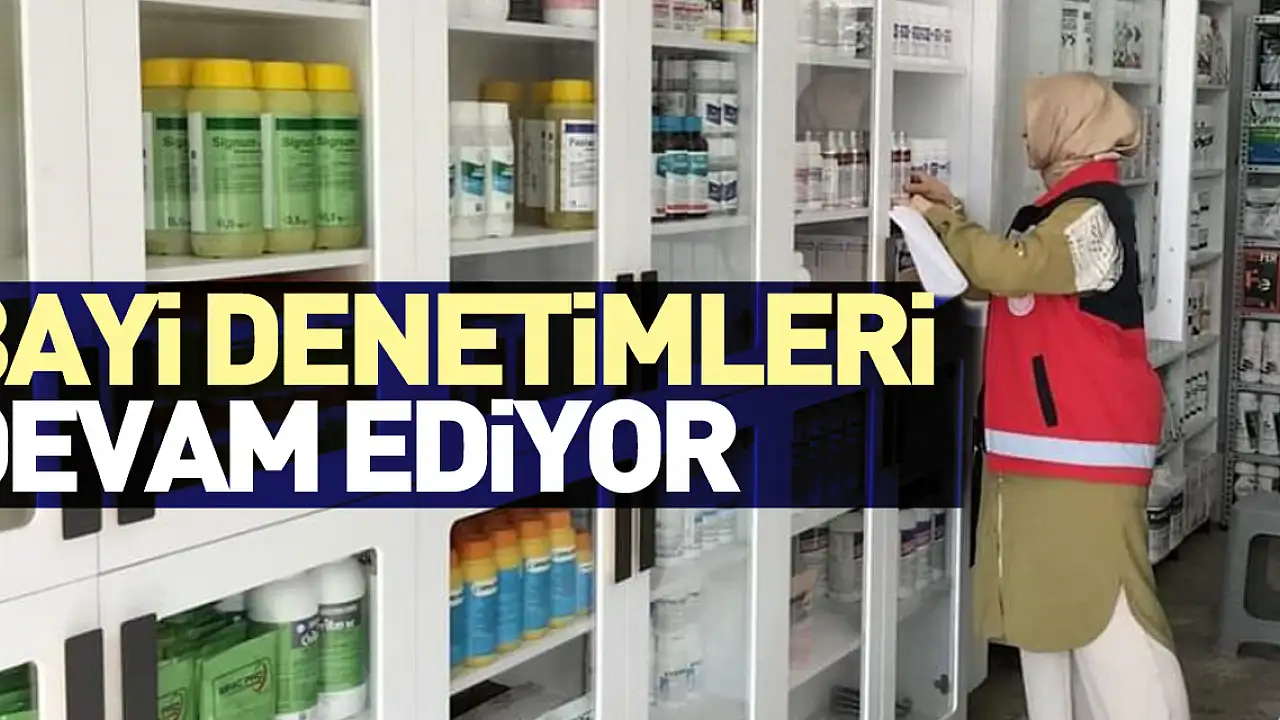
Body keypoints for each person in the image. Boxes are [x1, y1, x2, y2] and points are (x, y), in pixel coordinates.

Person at [902, 71, 1191, 720]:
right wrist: (951, 219)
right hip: (1038, 452)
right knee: (1042, 620)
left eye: (1034, 120)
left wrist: (944, 221)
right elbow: (1003, 278)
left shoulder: (1094, 213)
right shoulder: (1059, 210)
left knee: (1111, 621)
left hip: (1085, 453)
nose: (1024, 133)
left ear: (1068, 126)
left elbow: (1015, 268)